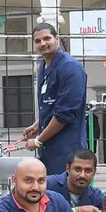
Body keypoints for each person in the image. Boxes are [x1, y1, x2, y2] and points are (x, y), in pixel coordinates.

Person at [22, 23, 88, 174]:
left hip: (67, 152)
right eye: (37, 41)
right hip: (49, 152)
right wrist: (39, 124)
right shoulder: (43, 66)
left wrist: (38, 141)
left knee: (65, 194)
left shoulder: (70, 67)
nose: (42, 44)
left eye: (47, 38)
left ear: (57, 39)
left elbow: (64, 114)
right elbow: (51, 105)